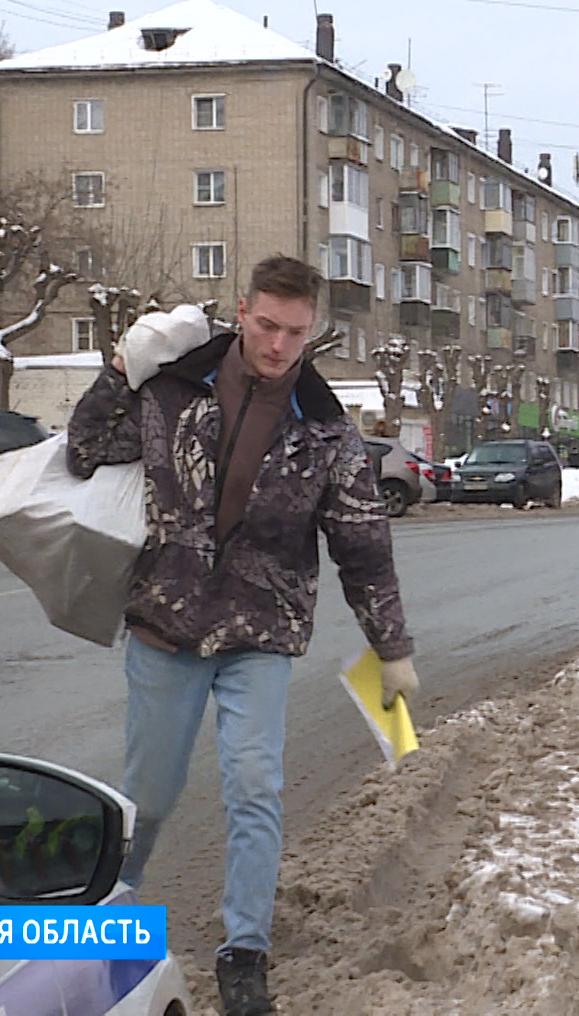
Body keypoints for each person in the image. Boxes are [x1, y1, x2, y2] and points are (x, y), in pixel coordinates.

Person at [67, 255, 418, 1016]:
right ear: (241, 312)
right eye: (266, 326)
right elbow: (85, 449)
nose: (279, 345)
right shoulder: (172, 388)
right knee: (149, 796)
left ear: (312, 330)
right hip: (166, 623)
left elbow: (363, 546)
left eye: (296, 332)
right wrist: (121, 368)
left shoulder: (326, 431)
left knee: (256, 786)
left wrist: (392, 649)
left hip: (262, 630)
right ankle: (99, 925)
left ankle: (244, 954)